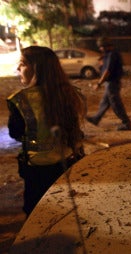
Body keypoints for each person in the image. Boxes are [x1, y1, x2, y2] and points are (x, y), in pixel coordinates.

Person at [7, 46, 86, 216]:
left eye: (22, 64)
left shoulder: (22, 101)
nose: (18, 69)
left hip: (38, 172)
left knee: (38, 216)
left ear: (36, 68)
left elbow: (15, 133)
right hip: (72, 164)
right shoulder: (72, 94)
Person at [86, 37, 131, 131]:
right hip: (110, 83)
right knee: (104, 102)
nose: (100, 49)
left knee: (116, 104)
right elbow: (104, 68)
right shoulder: (108, 55)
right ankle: (96, 118)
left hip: (112, 83)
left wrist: (99, 83)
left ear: (106, 46)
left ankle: (126, 123)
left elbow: (107, 71)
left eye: (101, 47)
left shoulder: (112, 55)